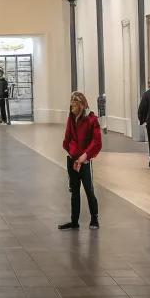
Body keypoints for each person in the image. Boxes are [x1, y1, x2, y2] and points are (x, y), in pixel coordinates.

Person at [58, 91, 102, 230]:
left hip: (85, 162)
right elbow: (67, 139)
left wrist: (84, 156)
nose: (72, 109)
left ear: (82, 106)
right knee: (74, 191)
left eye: (75, 106)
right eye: (71, 106)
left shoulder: (92, 120)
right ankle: (74, 221)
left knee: (89, 190)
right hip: (73, 159)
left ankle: (94, 218)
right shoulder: (71, 118)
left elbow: (97, 142)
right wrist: (74, 155)